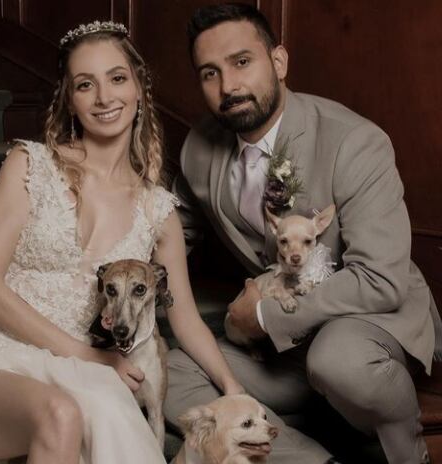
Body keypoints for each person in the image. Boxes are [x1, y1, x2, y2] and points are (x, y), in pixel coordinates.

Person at [0, 20, 247, 464]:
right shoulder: (30, 165)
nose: (104, 97)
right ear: (69, 98)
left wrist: (233, 387)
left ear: (139, 88)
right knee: (64, 413)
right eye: (85, 84)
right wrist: (90, 358)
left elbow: (187, 321)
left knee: (96, 411)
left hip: (82, 372)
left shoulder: (158, 211)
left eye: (117, 78)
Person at [164, 3, 441, 464]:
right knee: (170, 372)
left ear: (278, 62)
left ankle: (411, 454)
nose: (228, 86)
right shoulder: (199, 148)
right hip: (286, 350)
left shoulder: (354, 141)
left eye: (241, 62)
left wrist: (265, 315)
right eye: (210, 73)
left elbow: (380, 280)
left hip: (368, 326)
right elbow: (173, 234)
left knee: (336, 359)